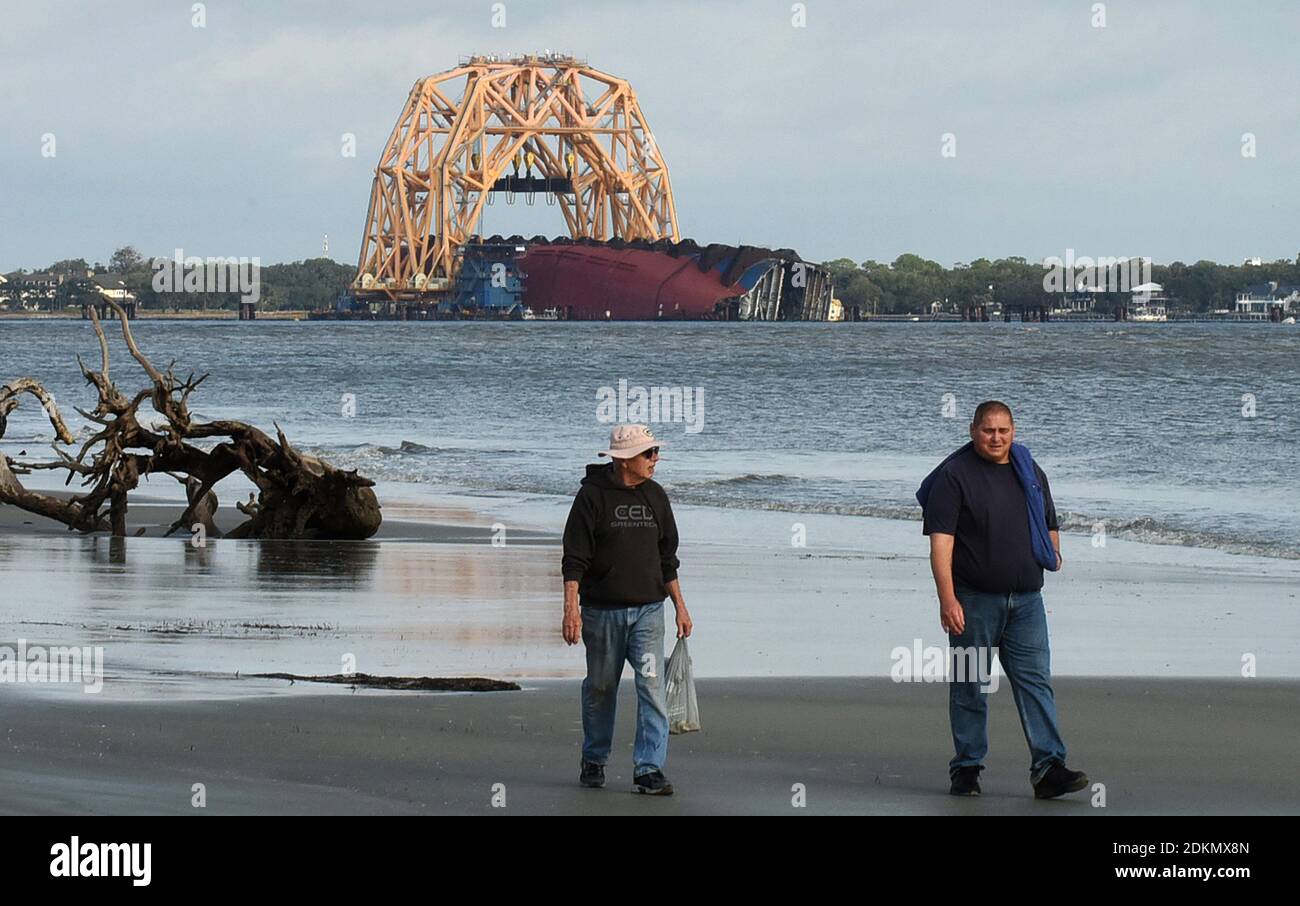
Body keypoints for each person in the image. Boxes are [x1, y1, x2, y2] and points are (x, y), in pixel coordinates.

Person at [919, 400, 1089, 799]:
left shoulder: (1028, 470)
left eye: (1004, 430)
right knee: (970, 685)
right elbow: (941, 543)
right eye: (988, 430)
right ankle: (966, 769)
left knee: (1035, 683)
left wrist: (1054, 553)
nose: (997, 438)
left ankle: (1049, 769)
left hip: (1028, 602)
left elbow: (1048, 520)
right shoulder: (954, 476)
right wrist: (947, 599)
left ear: (1014, 431)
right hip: (974, 601)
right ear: (973, 431)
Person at [561, 424, 693, 795]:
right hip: (602, 613)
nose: (656, 459)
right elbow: (574, 559)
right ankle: (594, 758)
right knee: (601, 687)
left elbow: (668, 559)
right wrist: (571, 608)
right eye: (648, 453)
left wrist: (680, 606)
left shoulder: (656, 496)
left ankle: (648, 768)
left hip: (649, 612)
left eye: (655, 452)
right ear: (624, 459)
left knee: (651, 687)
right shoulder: (591, 498)